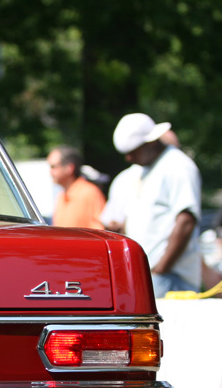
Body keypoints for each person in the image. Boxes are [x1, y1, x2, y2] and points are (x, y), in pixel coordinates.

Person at [108, 113, 202, 297]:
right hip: (151, 275)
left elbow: (186, 221)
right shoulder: (145, 170)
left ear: (151, 142)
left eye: (133, 150)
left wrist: (160, 269)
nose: (128, 157)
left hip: (170, 278)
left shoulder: (178, 166)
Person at [48, 146, 105, 229]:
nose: (50, 172)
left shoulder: (89, 193)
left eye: (54, 167)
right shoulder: (61, 196)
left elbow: (100, 232)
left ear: (69, 168)